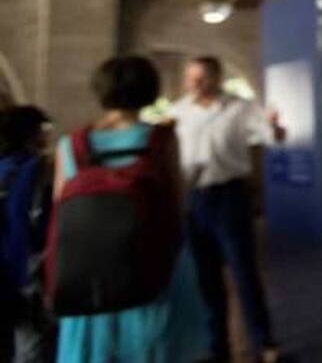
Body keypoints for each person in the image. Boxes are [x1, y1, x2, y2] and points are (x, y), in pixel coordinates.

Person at [54, 56, 207, 362]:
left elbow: (62, 209)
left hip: (91, 275)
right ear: (149, 90)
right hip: (155, 266)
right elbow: (178, 205)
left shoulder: (71, 145)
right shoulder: (161, 140)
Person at [169, 56, 284, 362]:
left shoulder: (239, 107)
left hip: (230, 196)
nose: (194, 84)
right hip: (194, 198)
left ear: (217, 78)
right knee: (205, 278)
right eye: (190, 78)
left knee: (244, 272)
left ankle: (265, 344)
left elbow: (270, 135)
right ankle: (217, 347)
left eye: (201, 78)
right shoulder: (177, 112)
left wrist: (275, 128)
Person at [0, 106, 54, 362]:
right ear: (32, 133)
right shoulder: (39, 169)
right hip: (25, 272)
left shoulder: (4, 167)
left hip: (5, 274)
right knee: (30, 347)